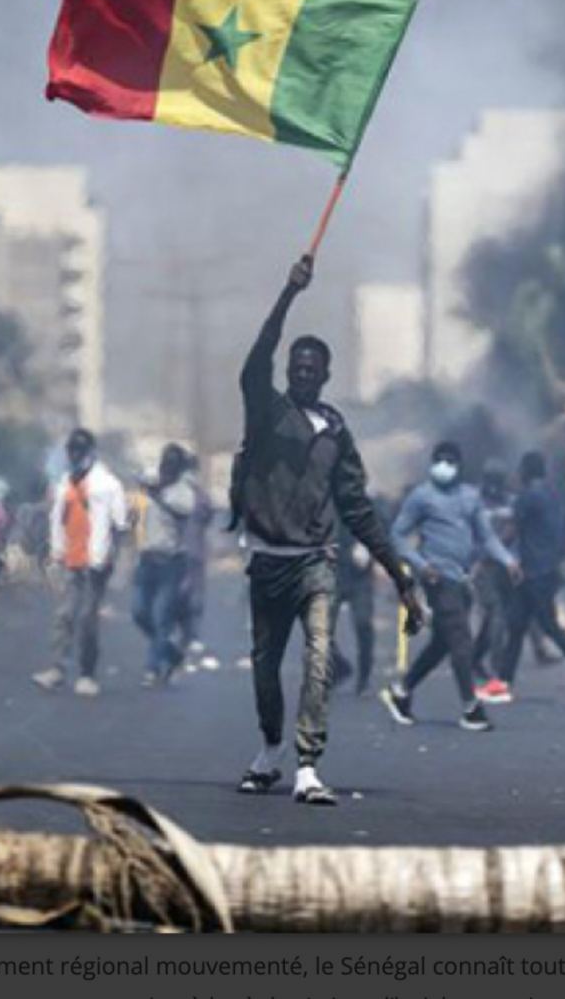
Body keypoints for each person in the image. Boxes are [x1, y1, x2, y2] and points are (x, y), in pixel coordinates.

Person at [232, 255, 421, 806]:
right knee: (266, 667)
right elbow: (252, 366)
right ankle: (270, 750)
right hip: (269, 559)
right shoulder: (266, 414)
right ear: (288, 370)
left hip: (317, 561)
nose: (303, 375)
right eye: (296, 367)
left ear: (326, 375)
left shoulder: (337, 430)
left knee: (319, 657)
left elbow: (359, 508)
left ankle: (307, 764)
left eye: (312, 369)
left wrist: (400, 575)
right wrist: (288, 294)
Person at [380, 441, 520, 733]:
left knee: (442, 643)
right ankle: (471, 708)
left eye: (450, 461)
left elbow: (486, 536)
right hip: (437, 578)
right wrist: (420, 564)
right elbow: (398, 536)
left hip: (462, 578)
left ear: (459, 465)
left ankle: (401, 692)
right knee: (461, 642)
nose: (444, 465)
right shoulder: (421, 497)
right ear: (433, 463)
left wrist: (508, 561)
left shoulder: (470, 498)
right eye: (439, 460)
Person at [475, 452, 565, 709]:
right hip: (544, 569)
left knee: (550, 627)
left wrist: (490, 555)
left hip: (534, 572)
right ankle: (502, 683)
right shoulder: (551, 494)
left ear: (525, 471)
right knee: (516, 625)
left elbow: (511, 530)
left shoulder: (527, 497)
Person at [33, 429, 129, 697]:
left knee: (87, 618)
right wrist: (56, 552)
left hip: (96, 562)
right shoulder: (65, 483)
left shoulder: (108, 485)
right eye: (71, 452)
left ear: (90, 452)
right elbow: (57, 520)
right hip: (71, 559)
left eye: (79, 451)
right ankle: (57, 669)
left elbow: (120, 525)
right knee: (64, 615)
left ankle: (87, 673)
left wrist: (115, 561)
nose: (75, 456)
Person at [132, 444, 195, 687]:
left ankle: (154, 667)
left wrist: (156, 494)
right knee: (139, 612)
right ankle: (172, 653)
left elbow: (181, 510)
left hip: (171, 562)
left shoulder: (182, 492)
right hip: (147, 559)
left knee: (162, 617)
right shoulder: (152, 483)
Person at [470, 459, 517, 688]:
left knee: (494, 618)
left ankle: (474, 658)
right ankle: (498, 671)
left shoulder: (511, 502)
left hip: (504, 568)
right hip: (482, 567)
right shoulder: (474, 502)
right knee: (496, 614)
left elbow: (515, 530)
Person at [327, 508, 378, 695]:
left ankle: (364, 678)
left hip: (360, 577)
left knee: (363, 623)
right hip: (331, 573)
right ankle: (339, 666)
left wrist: (369, 548)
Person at [177, 452, 214, 655]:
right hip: (194, 549)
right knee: (194, 595)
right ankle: (190, 635)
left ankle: (182, 634)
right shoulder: (199, 493)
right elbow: (208, 514)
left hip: (178, 551)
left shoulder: (172, 489)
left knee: (180, 593)